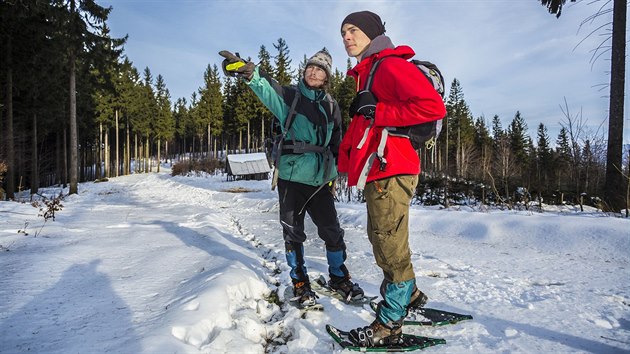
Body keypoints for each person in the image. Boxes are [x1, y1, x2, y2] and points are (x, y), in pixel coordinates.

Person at [219, 48, 365, 308]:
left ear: (326, 77)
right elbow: (265, 88)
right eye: (311, 66)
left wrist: (333, 177)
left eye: (320, 69)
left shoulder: (331, 106)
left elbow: (336, 143)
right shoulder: (289, 96)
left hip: (321, 180)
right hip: (291, 177)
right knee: (293, 233)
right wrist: (248, 73)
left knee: (332, 232)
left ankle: (339, 277)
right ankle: (300, 281)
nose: (313, 71)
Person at [337, 11, 447, 347]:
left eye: (353, 30)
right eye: (343, 32)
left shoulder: (389, 65)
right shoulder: (367, 73)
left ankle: (389, 324)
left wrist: (379, 112)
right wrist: (341, 163)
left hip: (393, 166)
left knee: (389, 244)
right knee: (381, 237)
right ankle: (410, 297)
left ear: (371, 33)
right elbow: (361, 129)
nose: (346, 37)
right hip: (379, 168)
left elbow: (433, 107)